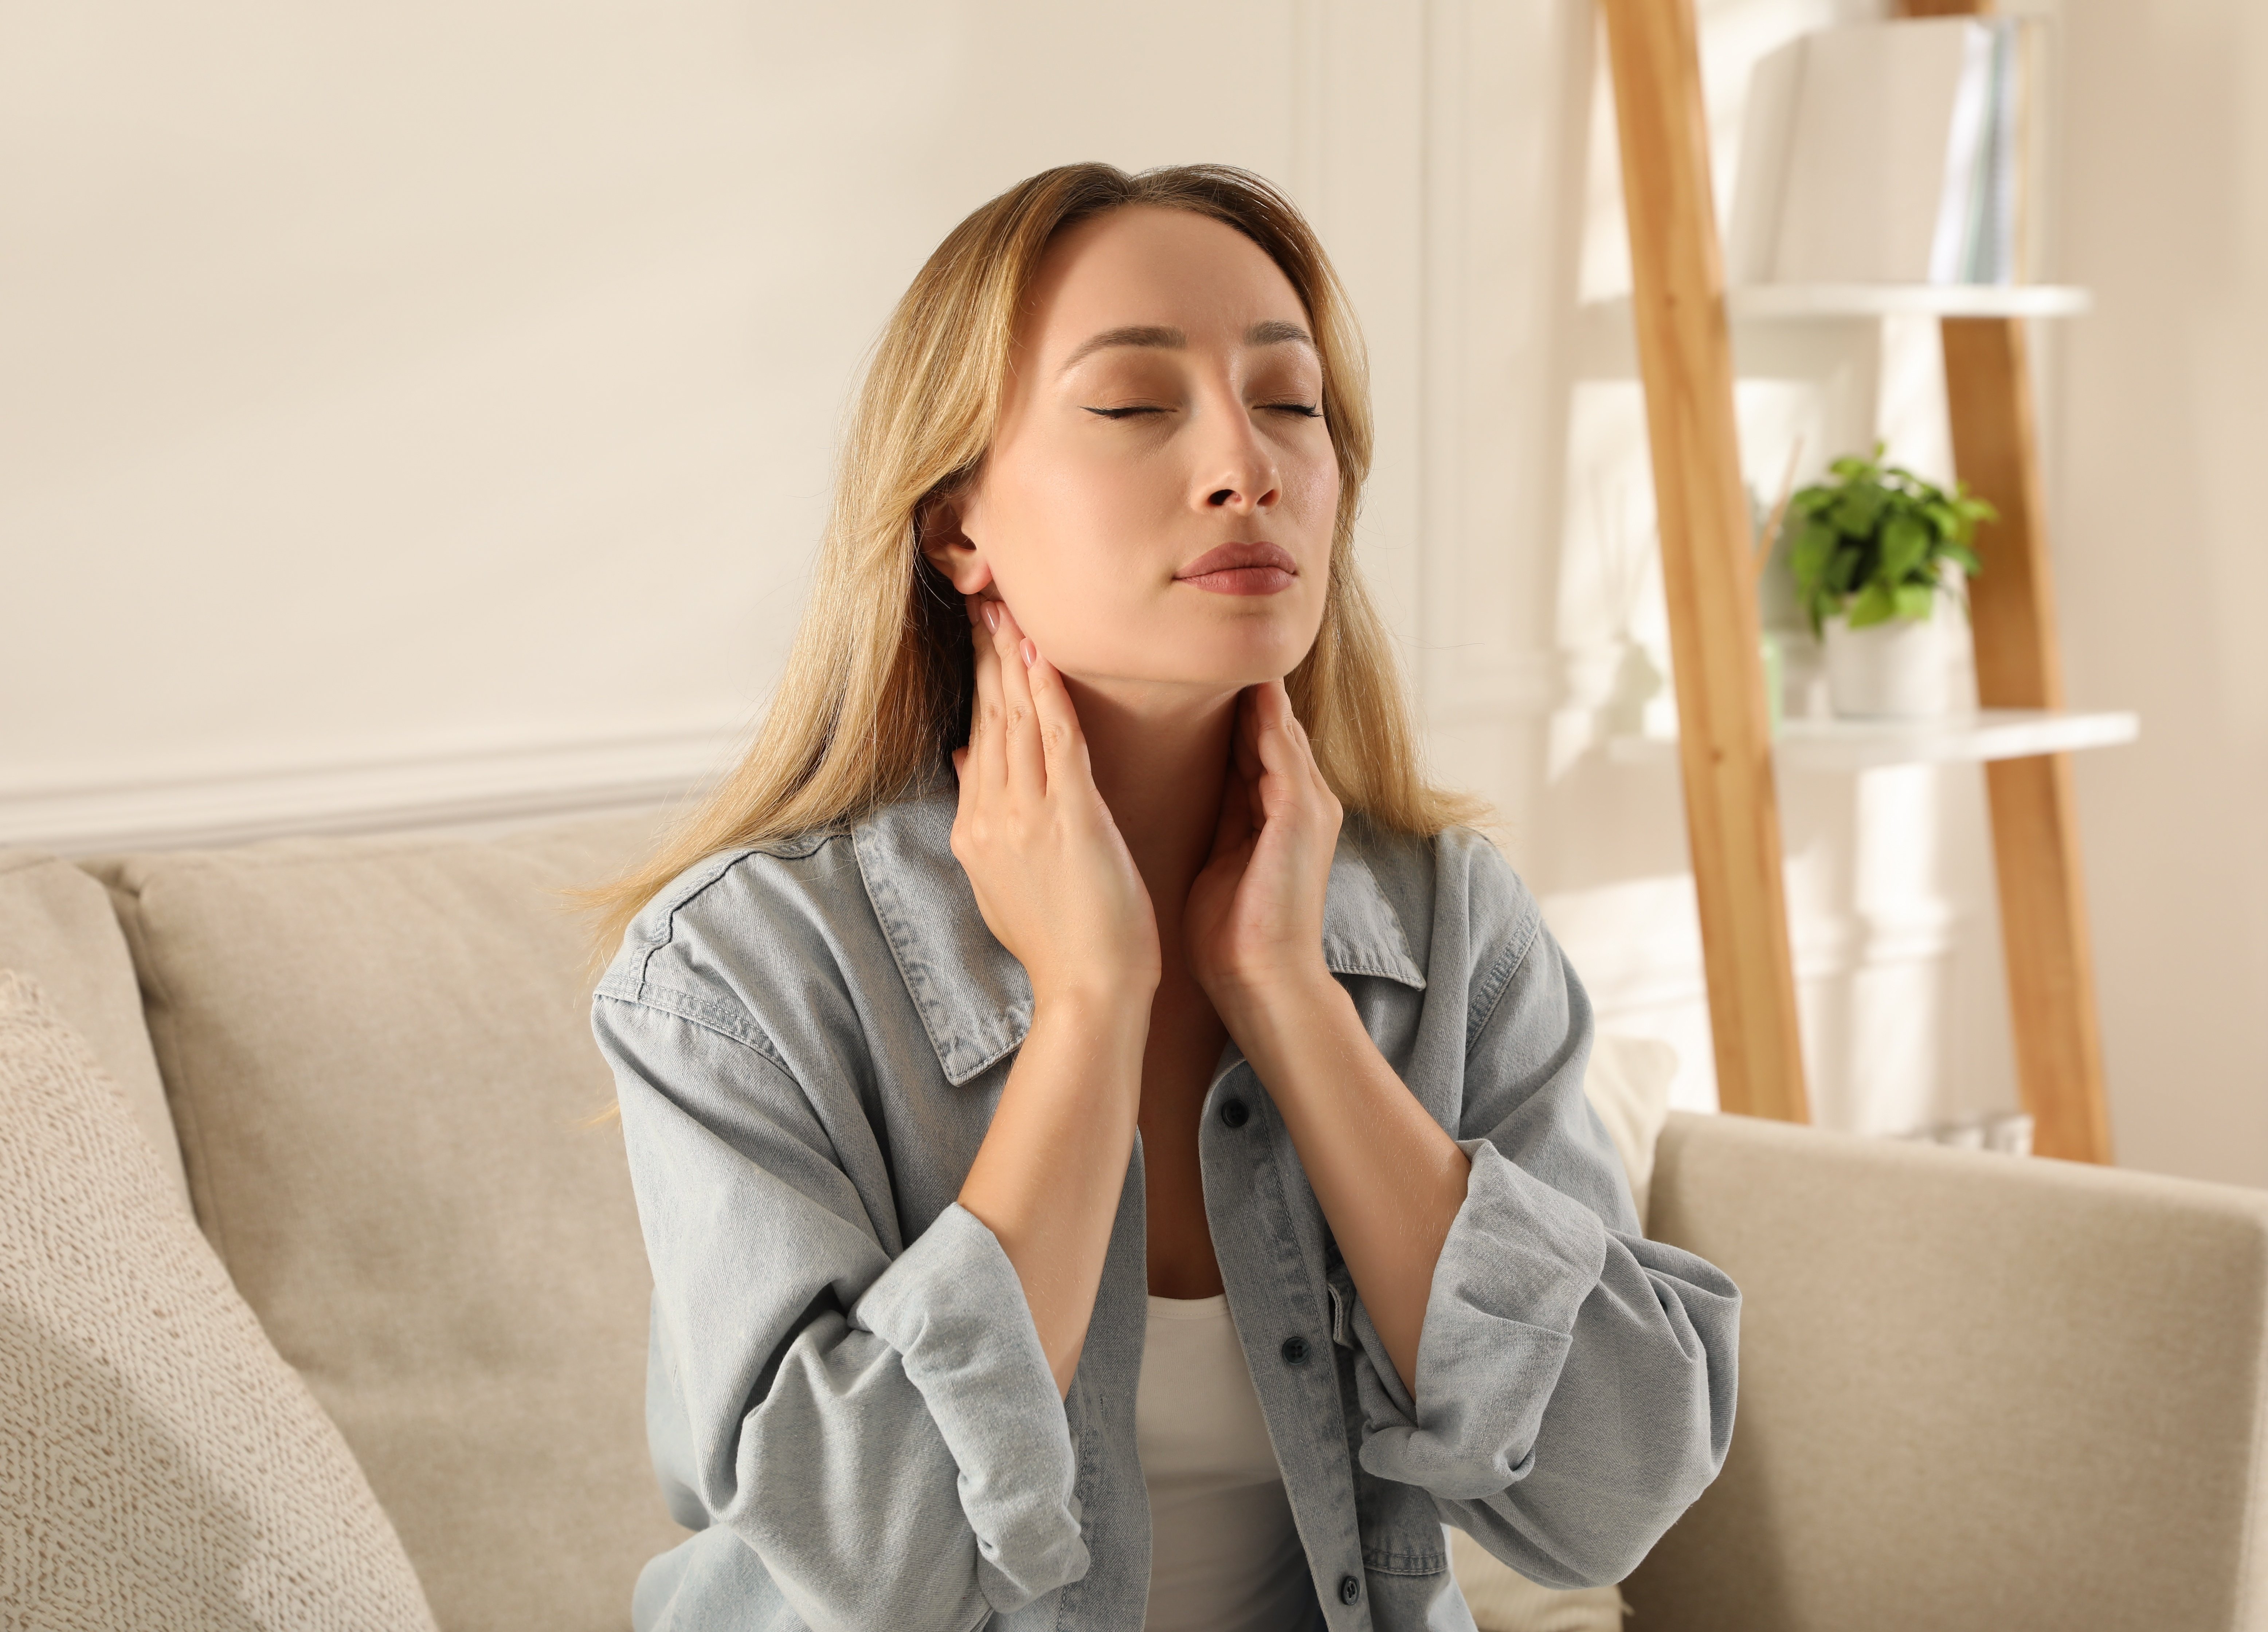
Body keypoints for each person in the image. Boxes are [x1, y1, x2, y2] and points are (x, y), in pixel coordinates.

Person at [587, 161, 1738, 1632]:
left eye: (1292, 402)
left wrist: (1293, 1000)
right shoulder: (738, 972)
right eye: (1134, 406)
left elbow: (1612, 1490)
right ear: (958, 527)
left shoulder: (1451, 927)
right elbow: (876, 1568)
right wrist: (1088, 1008)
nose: (1245, 463)